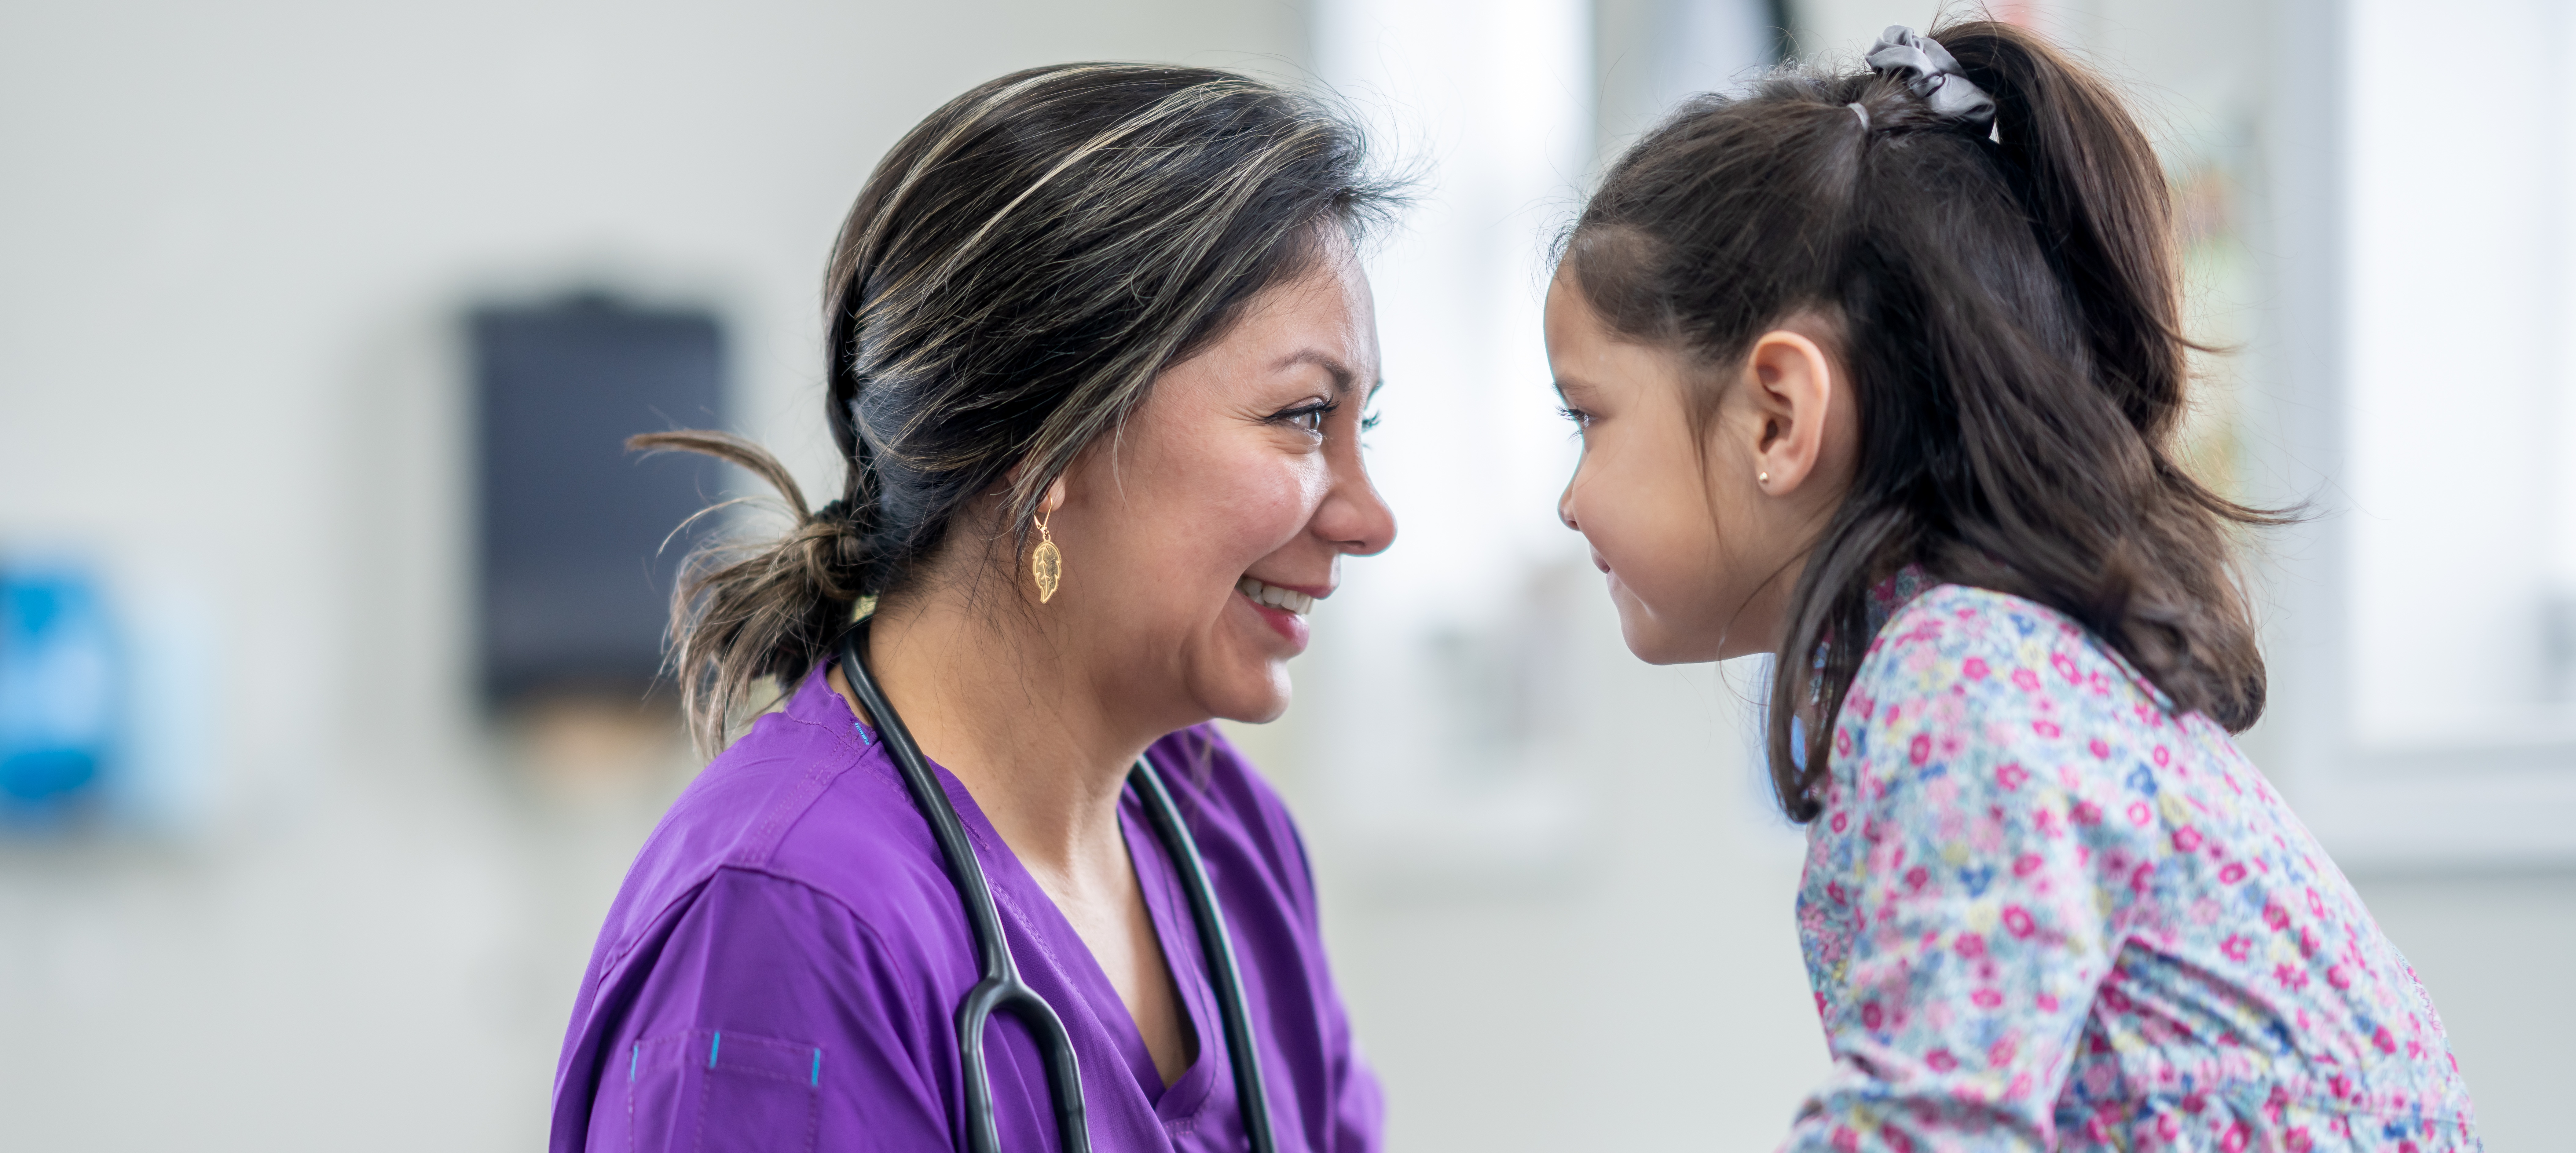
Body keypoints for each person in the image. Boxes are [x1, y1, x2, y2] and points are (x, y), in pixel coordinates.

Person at [1545, 21, 2478, 1152]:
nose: (1569, 499)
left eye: (1587, 418)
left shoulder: (1962, 675)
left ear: (1780, 418)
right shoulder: (1995, 660)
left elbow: (1930, 1131)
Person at [549, 63, 1397, 1152]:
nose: (1371, 516)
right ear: (1052, 440)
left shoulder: (1229, 842)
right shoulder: (785, 924)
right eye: (1303, 415)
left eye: (1363, 426)